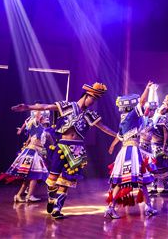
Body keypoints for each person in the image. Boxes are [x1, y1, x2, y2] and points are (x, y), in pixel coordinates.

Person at [11, 82, 117, 219]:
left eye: (96, 100)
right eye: (93, 98)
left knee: (67, 180)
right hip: (62, 146)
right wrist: (27, 107)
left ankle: (57, 208)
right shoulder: (67, 106)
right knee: (52, 179)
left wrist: (118, 136)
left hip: (77, 149)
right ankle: (51, 199)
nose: (93, 102)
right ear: (86, 95)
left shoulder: (90, 115)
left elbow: (103, 127)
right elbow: (46, 106)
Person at [105, 82, 158, 218]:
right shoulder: (132, 115)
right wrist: (146, 88)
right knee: (138, 180)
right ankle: (147, 207)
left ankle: (112, 208)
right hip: (131, 151)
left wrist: (112, 146)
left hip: (125, 151)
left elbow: (119, 136)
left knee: (126, 181)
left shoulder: (123, 119)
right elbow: (142, 102)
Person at [0, 109, 52, 203]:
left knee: (29, 177)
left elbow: (47, 143)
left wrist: (46, 152)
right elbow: (31, 138)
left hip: (36, 153)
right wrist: (40, 108)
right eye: (43, 118)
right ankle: (29, 196)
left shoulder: (46, 133)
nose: (45, 120)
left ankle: (18, 195)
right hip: (32, 152)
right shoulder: (36, 127)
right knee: (35, 176)